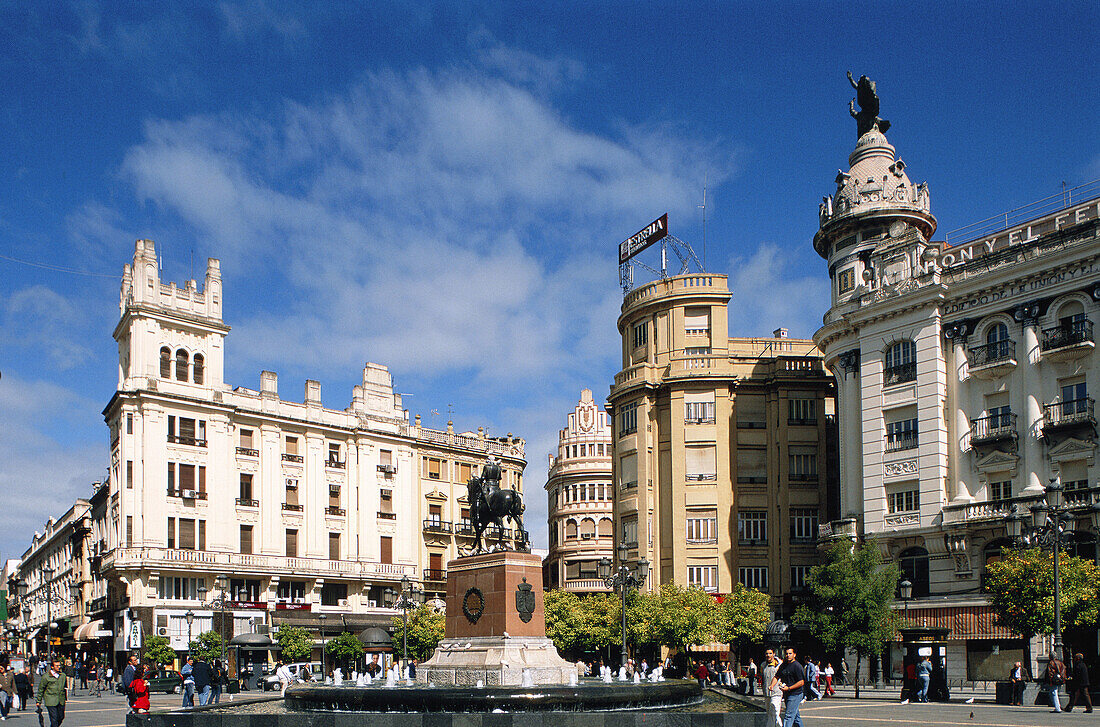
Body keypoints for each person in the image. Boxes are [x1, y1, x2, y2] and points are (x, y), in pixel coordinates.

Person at [776, 647, 806, 727]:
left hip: (795, 694)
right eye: (786, 654)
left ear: (794, 655)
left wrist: (789, 688)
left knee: (788, 716)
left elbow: (801, 682)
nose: (788, 655)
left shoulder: (797, 666)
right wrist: (772, 685)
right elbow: (777, 676)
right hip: (787, 694)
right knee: (796, 717)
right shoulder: (783, 665)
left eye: (790, 653)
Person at [36, 658, 67, 727]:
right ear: (52, 667)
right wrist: (38, 701)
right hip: (50, 700)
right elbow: (41, 689)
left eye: (59, 665)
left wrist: (65, 698)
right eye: (57, 666)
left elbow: (64, 688)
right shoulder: (46, 676)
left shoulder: (63, 676)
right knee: (54, 718)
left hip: (60, 700)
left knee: (61, 717)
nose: (59, 667)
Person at [763, 648, 782, 727]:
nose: (768, 655)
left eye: (770, 653)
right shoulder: (763, 665)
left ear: (774, 654)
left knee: (775, 712)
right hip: (767, 693)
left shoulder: (779, 664)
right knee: (769, 714)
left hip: (776, 692)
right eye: (767, 653)